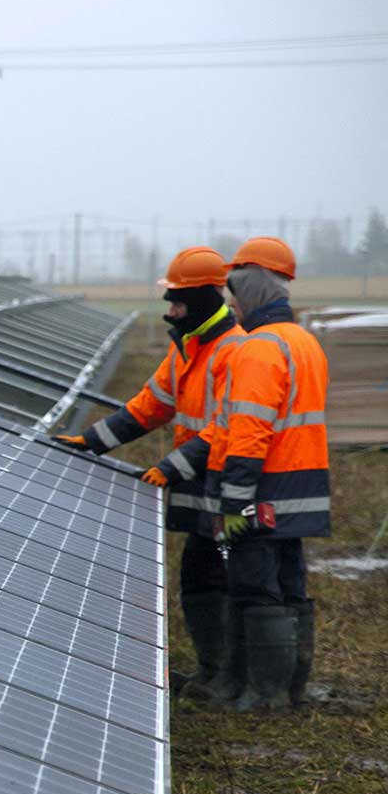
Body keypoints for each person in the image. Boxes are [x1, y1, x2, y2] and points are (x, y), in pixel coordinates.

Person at [52, 246, 245, 699]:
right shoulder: (188, 350)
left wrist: (169, 468)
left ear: (199, 299)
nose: (171, 311)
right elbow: (150, 405)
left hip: (234, 486)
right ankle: (213, 672)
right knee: (200, 574)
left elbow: (230, 425)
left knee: (232, 576)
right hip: (202, 484)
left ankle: (234, 678)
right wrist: (93, 441)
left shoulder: (234, 351)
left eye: (177, 301)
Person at [208, 236, 329, 712]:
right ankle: (284, 688)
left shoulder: (258, 349)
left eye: (235, 294)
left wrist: (233, 498)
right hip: (300, 488)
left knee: (253, 583)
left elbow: (249, 431)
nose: (231, 305)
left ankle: (265, 694)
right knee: (288, 581)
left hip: (259, 492)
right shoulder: (303, 342)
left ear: (253, 293)